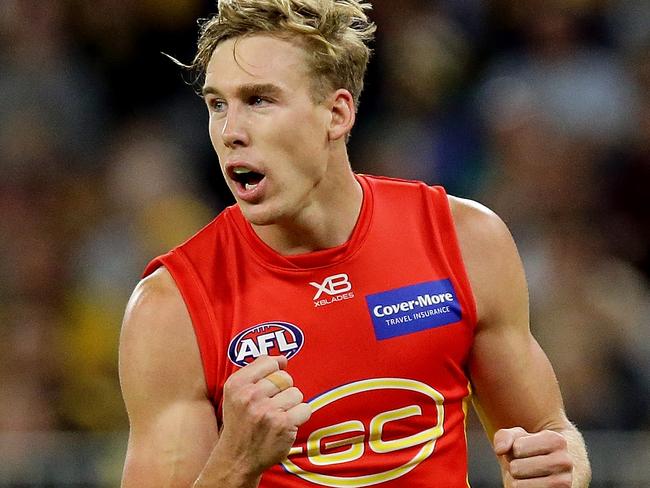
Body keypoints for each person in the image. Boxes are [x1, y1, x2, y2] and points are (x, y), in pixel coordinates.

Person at [119, 1, 591, 487]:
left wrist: (558, 470)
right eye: (217, 104)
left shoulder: (464, 240)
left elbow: (551, 436)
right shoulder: (171, 306)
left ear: (337, 113)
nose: (230, 132)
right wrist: (235, 464)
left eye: (259, 100)